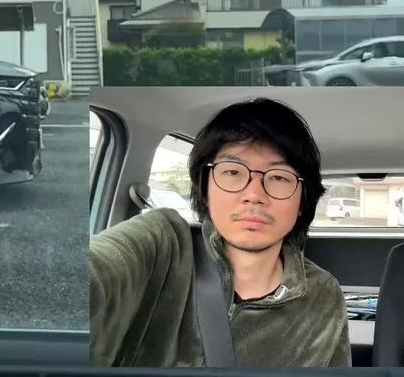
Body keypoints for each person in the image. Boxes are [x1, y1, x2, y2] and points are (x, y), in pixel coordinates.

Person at [88, 97, 351, 367]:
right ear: (204, 190)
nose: (254, 194)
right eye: (233, 172)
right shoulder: (160, 244)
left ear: (302, 202)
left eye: (278, 177)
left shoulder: (323, 295)